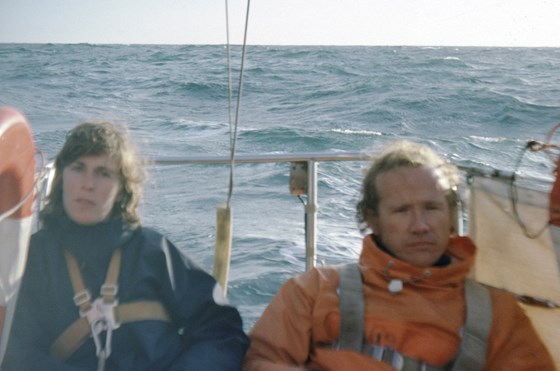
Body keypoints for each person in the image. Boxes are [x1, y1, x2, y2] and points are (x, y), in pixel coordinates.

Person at [243, 140, 555, 370]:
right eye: (402, 210)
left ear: (450, 213)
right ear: (373, 219)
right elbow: (264, 362)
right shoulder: (313, 290)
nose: (420, 226)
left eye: (432, 208)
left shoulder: (497, 314)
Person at [2, 121, 249, 370]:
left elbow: (221, 330)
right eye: (78, 168)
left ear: (121, 190)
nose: (88, 183)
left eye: (103, 173)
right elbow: (16, 353)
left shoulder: (153, 252)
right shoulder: (34, 260)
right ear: (62, 177)